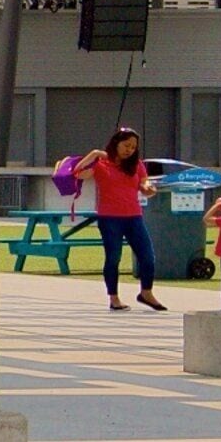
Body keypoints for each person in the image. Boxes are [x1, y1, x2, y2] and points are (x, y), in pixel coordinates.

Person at [60, 125, 165, 312]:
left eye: (133, 147)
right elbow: (76, 173)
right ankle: (114, 298)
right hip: (109, 218)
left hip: (134, 216)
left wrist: (150, 189)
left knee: (147, 256)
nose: (129, 150)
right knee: (113, 257)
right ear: (116, 144)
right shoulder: (100, 164)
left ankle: (146, 292)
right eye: (126, 145)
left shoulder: (137, 165)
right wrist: (94, 154)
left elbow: (145, 185)